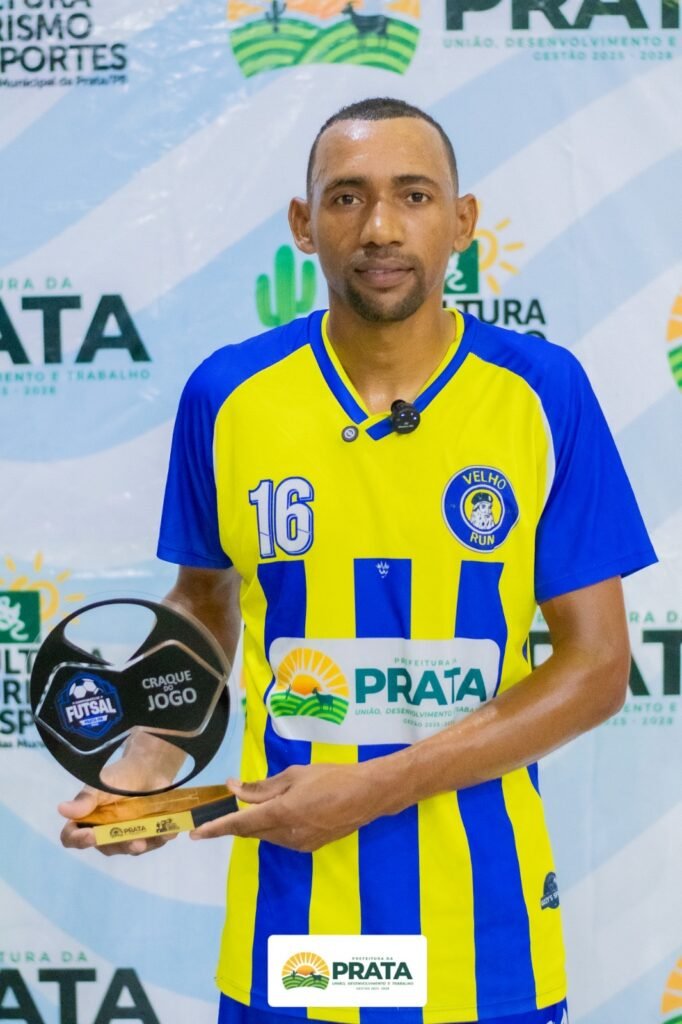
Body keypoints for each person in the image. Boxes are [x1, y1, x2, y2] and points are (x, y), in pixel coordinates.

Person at [60, 97, 657, 1024]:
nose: (380, 227)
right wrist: (149, 754)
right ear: (304, 225)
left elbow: (596, 668)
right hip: (301, 928)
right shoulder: (229, 394)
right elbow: (206, 604)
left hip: (484, 930)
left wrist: (373, 787)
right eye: (346, 198)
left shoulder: (543, 393)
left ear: (462, 221)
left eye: (414, 195)